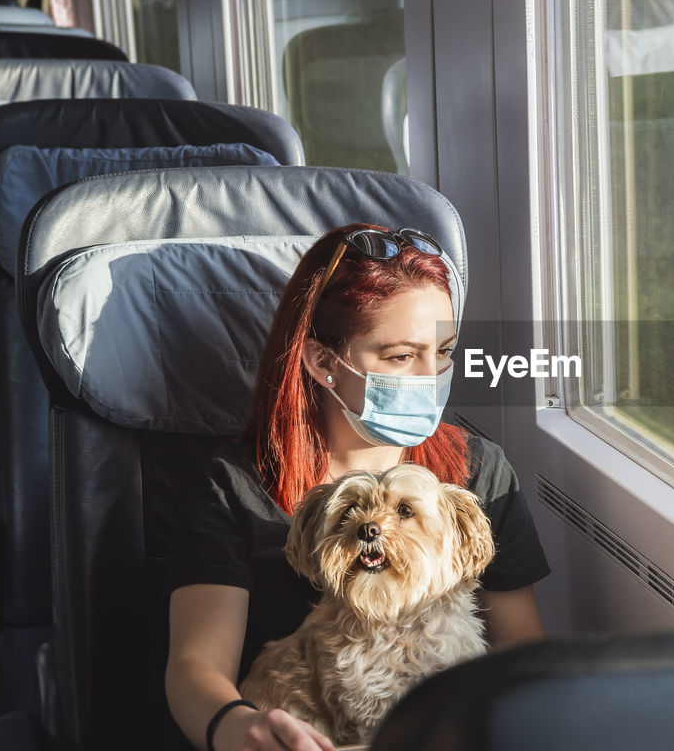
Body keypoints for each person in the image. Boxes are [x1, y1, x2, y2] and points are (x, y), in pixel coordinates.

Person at [165, 224, 550, 751]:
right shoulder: (234, 486)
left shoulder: (479, 470)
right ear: (324, 361)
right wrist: (239, 727)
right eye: (400, 357)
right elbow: (194, 669)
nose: (431, 375)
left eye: (444, 351)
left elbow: (521, 660)